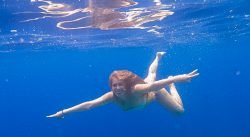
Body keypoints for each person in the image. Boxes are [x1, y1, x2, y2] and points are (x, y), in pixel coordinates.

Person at [47, 52, 199, 118]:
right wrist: (63, 112)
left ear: (126, 85)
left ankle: (172, 89)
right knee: (151, 75)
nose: (117, 89)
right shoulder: (112, 97)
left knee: (179, 111)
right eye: (114, 85)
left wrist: (176, 79)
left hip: (156, 92)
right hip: (148, 90)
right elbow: (90, 104)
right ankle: (158, 56)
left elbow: (154, 86)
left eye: (120, 85)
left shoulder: (136, 89)